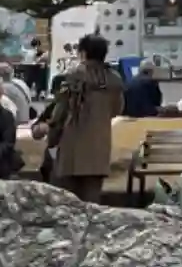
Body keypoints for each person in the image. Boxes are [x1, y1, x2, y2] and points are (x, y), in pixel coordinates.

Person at [36, 34, 124, 202]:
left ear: (83, 53)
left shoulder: (74, 76)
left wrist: (51, 130)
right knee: (92, 199)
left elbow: (60, 111)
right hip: (100, 145)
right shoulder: (115, 79)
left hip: (72, 144)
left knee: (67, 200)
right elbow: (117, 110)